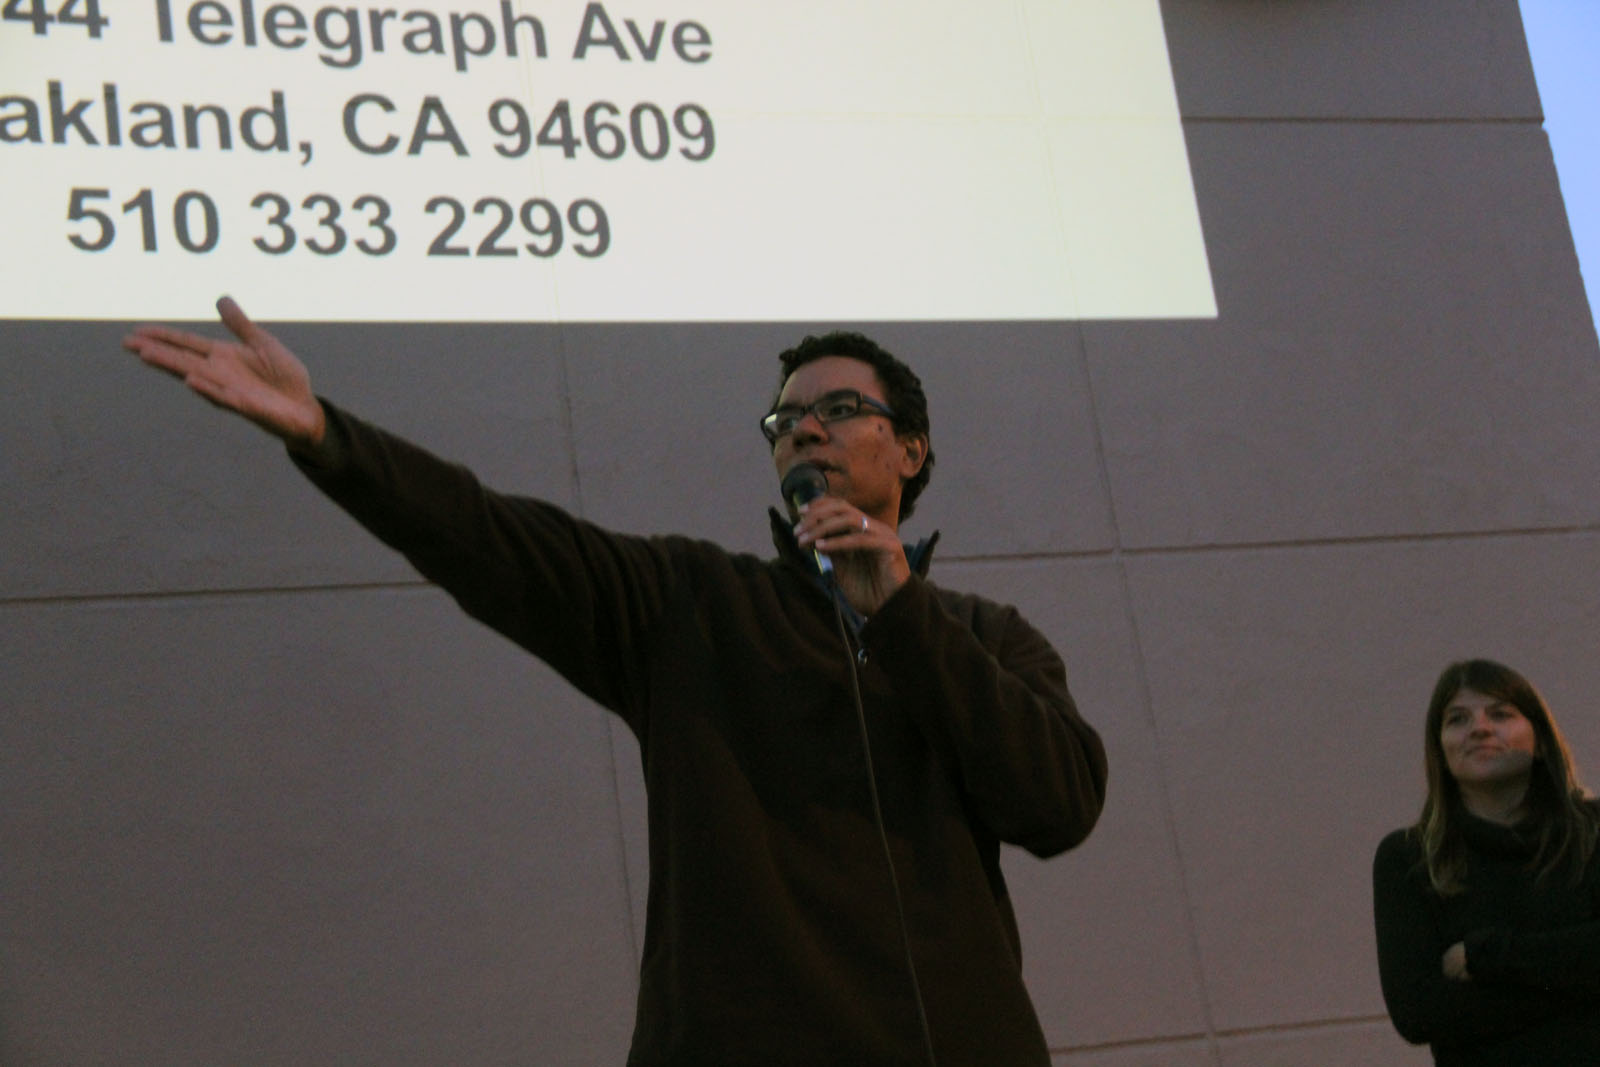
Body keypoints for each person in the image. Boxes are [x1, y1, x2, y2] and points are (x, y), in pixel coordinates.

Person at [123, 298, 1109, 1067]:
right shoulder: (693, 603)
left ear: (910, 450)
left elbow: (1057, 804)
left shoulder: (988, 637)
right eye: (783, 419)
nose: (803, 428)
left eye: (839, 409)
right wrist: (328, 435)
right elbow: (493, 537)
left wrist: (899, 615)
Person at [1372, 658, 1600, 1065]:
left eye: (1500, 714)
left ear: (1541, 741)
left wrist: (1488, 956)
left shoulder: (1593, 831)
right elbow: (1419, 1013)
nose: (1479, 728)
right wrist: (1577, 980)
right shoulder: (1408, 858)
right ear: (1441, 750)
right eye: (1457, 719)